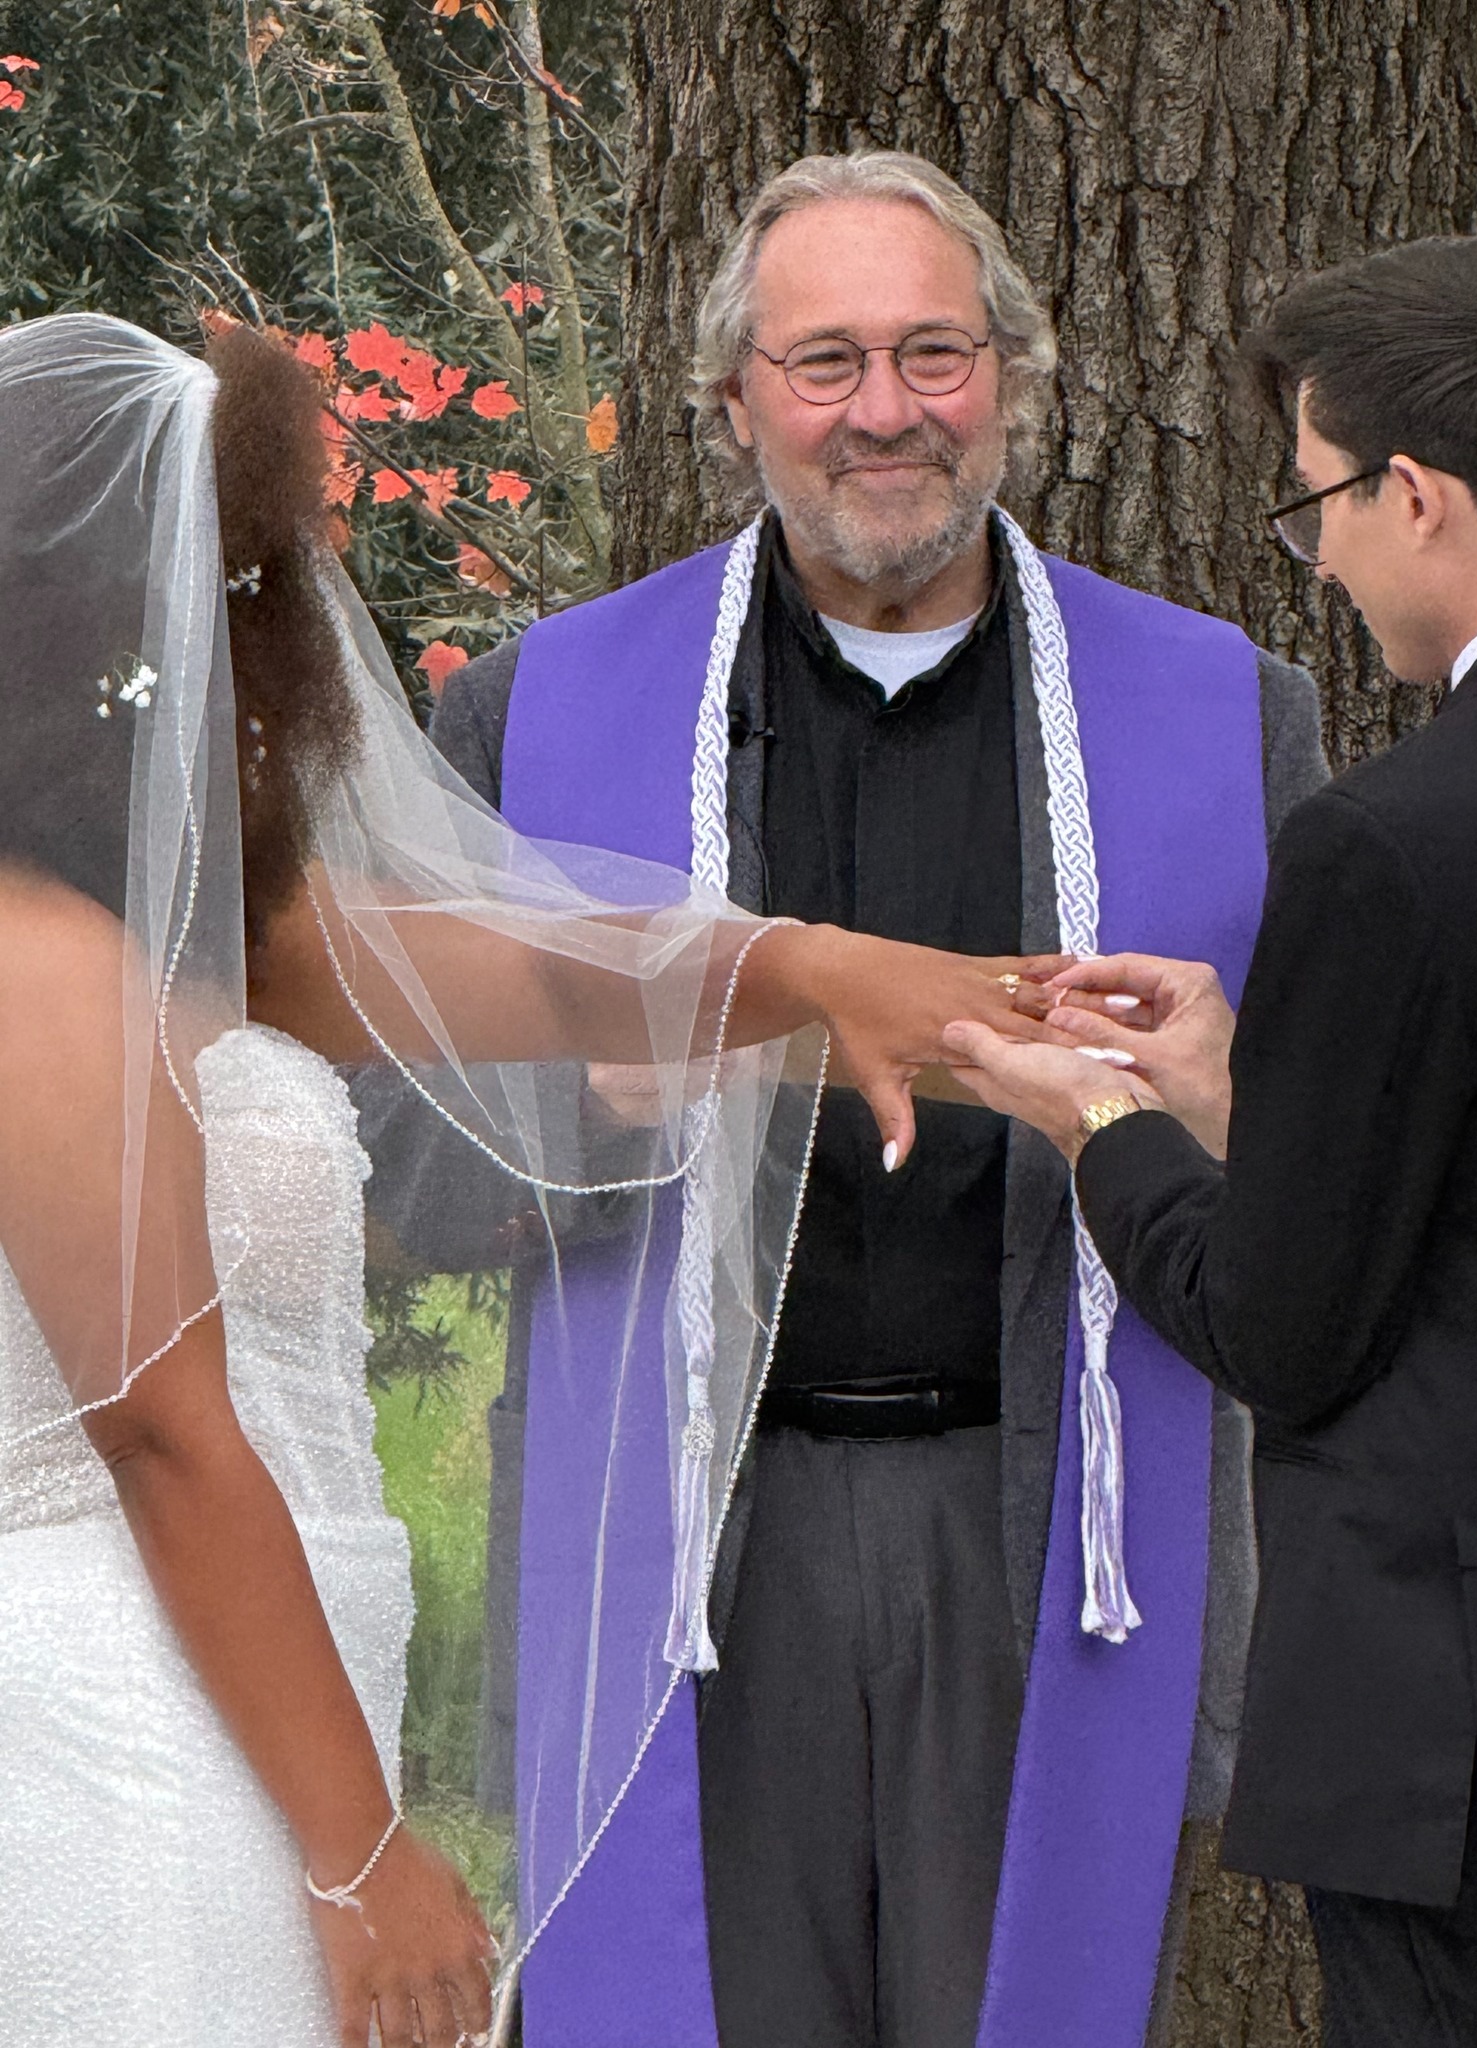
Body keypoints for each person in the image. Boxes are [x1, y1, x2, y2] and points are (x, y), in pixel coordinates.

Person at [0, 313, 1041, 2048]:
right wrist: (363, 1859)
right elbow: (160, 1430)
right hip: (131, 1711)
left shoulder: (177, 924)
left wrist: (839, 971)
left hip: (272, 1683)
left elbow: (542, 976)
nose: (279, 636)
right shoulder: (36, 963)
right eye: (240, 589)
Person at [404, 150, 1328, 2048]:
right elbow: (399, 1164)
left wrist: (1230, 1112)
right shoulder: (534, 718)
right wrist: (607, 1100)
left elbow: (1345, 1182)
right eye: (825, 363)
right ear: (732, 393)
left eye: (935, 353)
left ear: (1015, 378)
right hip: (688, 1555)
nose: (888, 413)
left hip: (1057, 1533)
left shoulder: (1231, 718)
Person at [943, 234, 1477, 2048]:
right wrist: (1247, 1089)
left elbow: (1285, 1322)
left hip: (1473, 1759)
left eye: (1321, 507)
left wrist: (1108, 1126)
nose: (1326, 558)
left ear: (1416, 494)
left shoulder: (1398, 839)